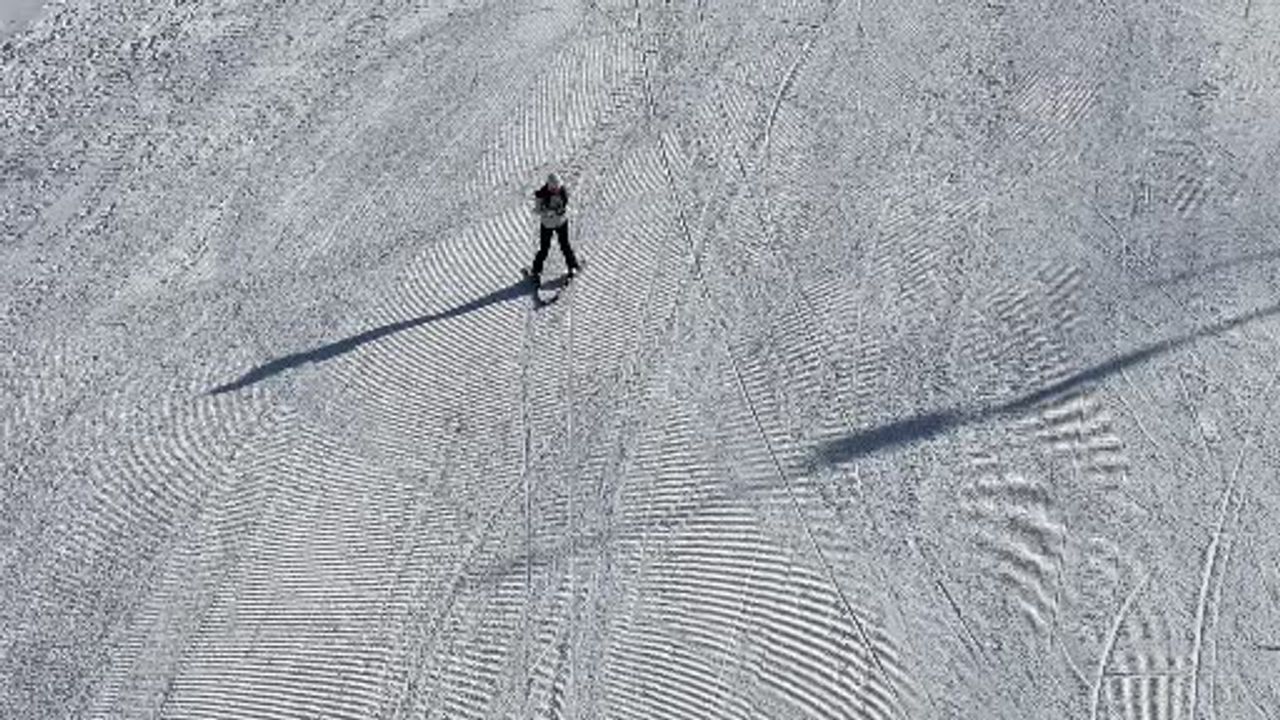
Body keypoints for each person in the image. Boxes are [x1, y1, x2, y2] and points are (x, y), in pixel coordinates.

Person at [530, 172, 580, 283]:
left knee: (565, 245)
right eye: (554, 188)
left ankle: (573, 266)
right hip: (547, 224)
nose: (556, 190)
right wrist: (547, 212)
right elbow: (537, 210)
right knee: (544, 248)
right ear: (549, 187)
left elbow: (566, 205)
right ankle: (536, 271)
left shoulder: (563, 191)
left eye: (557, 188)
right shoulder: (541, 195)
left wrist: (561, 211)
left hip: (561, 222)